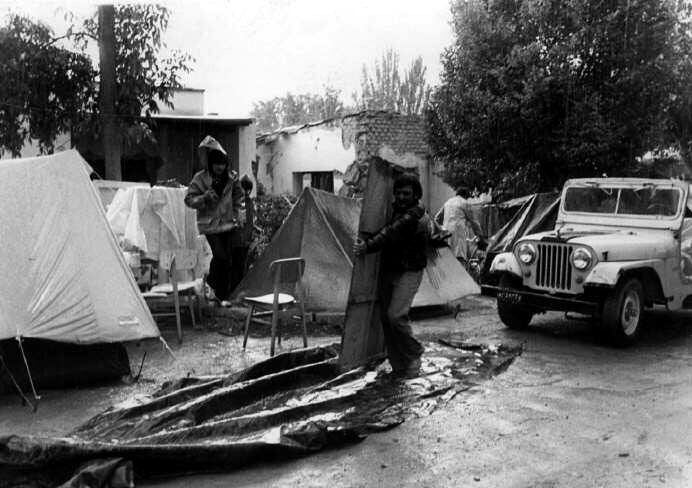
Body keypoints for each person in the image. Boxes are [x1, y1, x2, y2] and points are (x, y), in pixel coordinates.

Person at [353, 173, 430, 377]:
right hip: (391, 269)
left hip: (410, 270)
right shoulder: (396, 210)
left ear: (415, 195)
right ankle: (400, 367)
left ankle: (414, 352)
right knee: (386, 320)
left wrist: (367, 246)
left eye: (407, 193)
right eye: (398, 193)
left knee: (395, 316)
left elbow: (391, 232)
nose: (402, 197)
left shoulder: (414, 214)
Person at [184, 136, 243, 306]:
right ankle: (210, 285)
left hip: (228, 224)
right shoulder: (200, 178)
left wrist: (240, 213)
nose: (220, 167)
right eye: (216, 164)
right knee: (220, 257)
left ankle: (221, 296)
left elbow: (238, 197)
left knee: (227, 261)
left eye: (222, 164)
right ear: (210, 164)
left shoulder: (232, 177)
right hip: (209, 226)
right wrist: (204, 198)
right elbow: (189, 200)